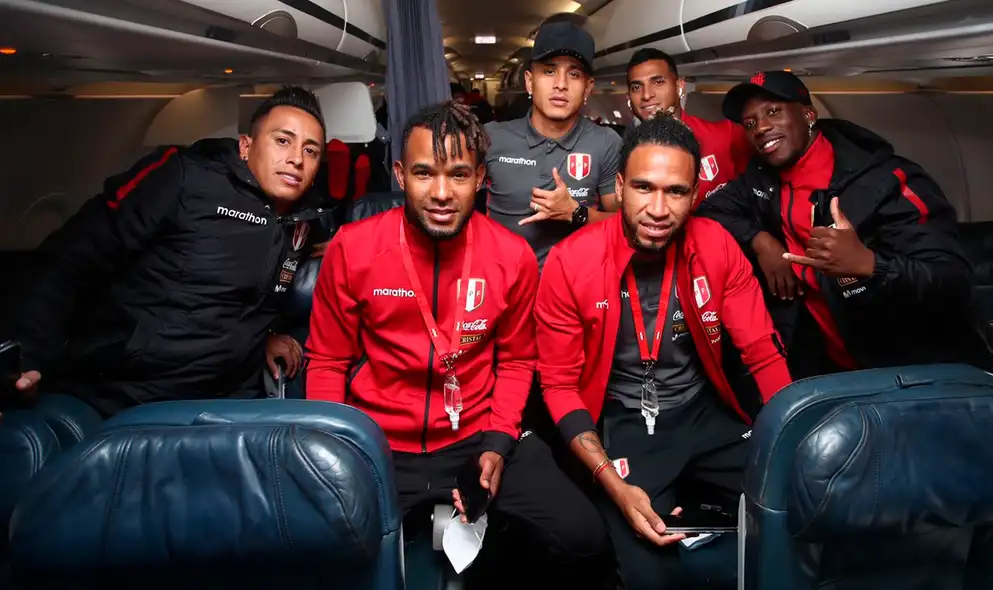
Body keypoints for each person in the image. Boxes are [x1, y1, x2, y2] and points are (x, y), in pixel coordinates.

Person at [305, 101, 608, 588]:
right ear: (400, 175)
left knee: (583, 536)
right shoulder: (353, 247)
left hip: (475, 435)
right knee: (321, 550)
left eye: (459, 174)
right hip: (377, 443)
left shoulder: (512, 257)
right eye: (425, 173)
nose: (442, 193)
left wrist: (496, 445)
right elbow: (327, 361)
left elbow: (515, 362)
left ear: (481, 177)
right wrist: (338, 455)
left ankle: (490, 551)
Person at [535, 115, 792, 589]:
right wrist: (612, 482)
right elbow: (558, 384)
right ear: (618, 186)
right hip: (625, 420)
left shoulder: (716, 247)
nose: (657, 208)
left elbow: (761, 353)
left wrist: (793, 444)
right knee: (647, 571)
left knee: (796, 499)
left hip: (703, 413)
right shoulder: (571, 261)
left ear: (695, 196)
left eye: (675, 191)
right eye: (642, 188)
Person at [11, 86, 327, 416]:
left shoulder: (305, 220)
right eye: (283, 141)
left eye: (311, 151)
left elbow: (263, 292)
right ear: (246, 146)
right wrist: (27, 354)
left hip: (229, 401)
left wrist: (269, 335)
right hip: (129, 394)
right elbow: (71, 257)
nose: (296, 159)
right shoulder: (183, 178)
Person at [696, 70, 993, 376]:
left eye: (773, 111)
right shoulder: (763, 180)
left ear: (809, 115)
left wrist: (867, 264)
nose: (760, 127)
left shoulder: (887, 182)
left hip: (919, 371)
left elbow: (952, 282)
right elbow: (711, 207)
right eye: (750, 123)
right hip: (835, 364)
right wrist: (761, 241)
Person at [484, 21, 623, 267]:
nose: (561, 84)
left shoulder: (606, 142)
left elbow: (622, 223)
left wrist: (576, 213)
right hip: (503, 284)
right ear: (529, 81)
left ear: (588, 87)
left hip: (574, 287)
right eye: (549, 71)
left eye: (574, 73)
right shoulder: (491, 138)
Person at [625, 48, 753, 205]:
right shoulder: (628, 154)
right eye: (636, 87)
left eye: (658, 82)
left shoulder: (726, 136)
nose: (646, 95)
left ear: (679, 87)